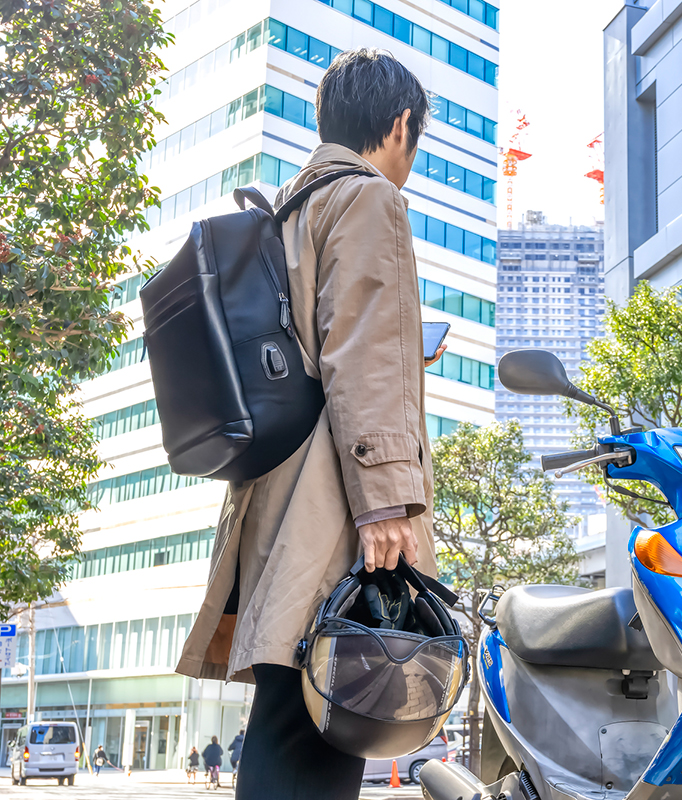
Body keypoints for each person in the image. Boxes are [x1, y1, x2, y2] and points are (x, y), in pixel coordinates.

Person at [174, 47, 442, 800]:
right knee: (325, 730)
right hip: (335, 510)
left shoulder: (292, 208)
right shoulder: (369, 199)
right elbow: (360, 352)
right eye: (415, 140)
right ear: (399, 126)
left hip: (278, 502)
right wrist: (387, 500)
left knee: (288, 723)